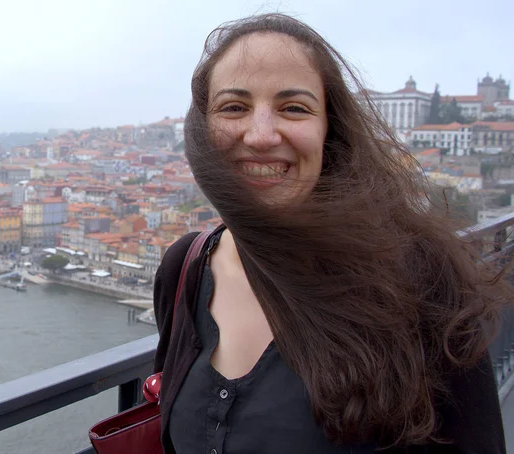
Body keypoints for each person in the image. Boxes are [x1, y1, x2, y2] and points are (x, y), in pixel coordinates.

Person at [153, 13, 509, 454]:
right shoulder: (184, 268)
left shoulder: (423, 277)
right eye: (233, 107)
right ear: (203, 129)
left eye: (294, 107)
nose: (262, 135)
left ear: (330, 130)